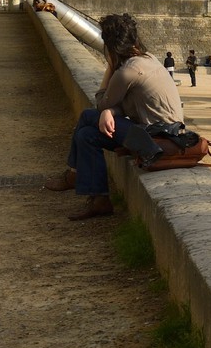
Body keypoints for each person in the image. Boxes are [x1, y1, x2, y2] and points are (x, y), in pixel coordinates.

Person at [43, 13, 185, 220]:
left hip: (153, 140)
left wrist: (110, 67)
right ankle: (99, 200)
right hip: (163, 133)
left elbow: (101, 102)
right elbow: (129, 106)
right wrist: (110, 112)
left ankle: (74, 174)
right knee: (86, 136)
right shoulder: (148, 59)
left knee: (87, 116)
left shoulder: (126, 72)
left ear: (110, 45)